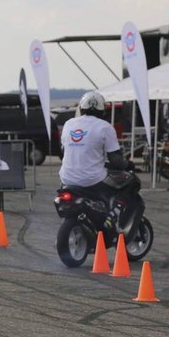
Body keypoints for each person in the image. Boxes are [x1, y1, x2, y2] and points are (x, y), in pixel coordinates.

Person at [59, 90, 130, 232]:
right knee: (127, 183)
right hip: (92, 179)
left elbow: (63, 150)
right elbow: (115, 160)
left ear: (81, 108)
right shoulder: (105, 127)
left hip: (66, 179)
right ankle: (111, 217)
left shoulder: (69, 124)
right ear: (103, 111)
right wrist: (128, 164)